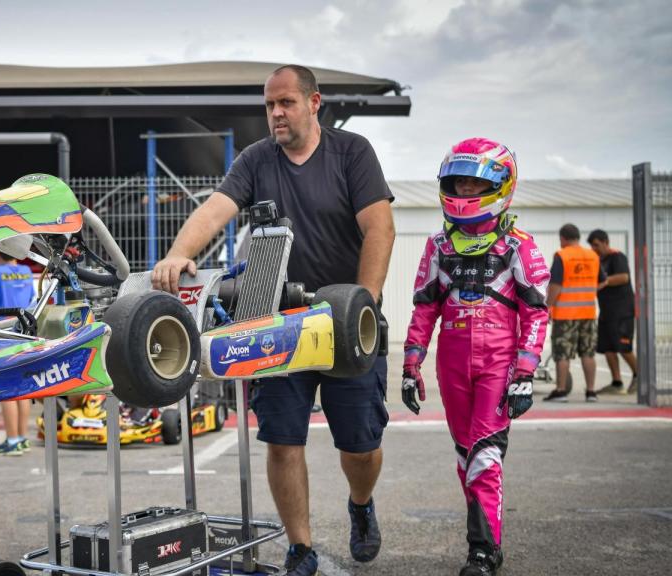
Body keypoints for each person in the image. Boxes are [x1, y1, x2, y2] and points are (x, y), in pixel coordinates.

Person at [152, 64, 395, 573]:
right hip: (279, 325)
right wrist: (178, 253)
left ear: (314, 103)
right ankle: (301, 546)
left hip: (347, 324)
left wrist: (363, 305)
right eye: (269, 105)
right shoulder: (257, 160)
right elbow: (215, 209)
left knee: (360, 445)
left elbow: (380, 229)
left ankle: (360, 504)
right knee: (283, 440)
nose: (276, 114)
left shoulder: (353, 153)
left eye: (285, 103)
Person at [402, 138, 549, 575]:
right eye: (458, 184)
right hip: (451, 364)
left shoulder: (519, 246)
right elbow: (424, 308)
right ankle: (486, 541)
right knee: (467, 456)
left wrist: (525, 370)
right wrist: (411, 366)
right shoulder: (438, 246)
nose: (464, 194)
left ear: (502, 186)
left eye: (474, 185)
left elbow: (537, 312)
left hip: (498, 363)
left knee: (486, 455)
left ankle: (483, 552)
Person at [0, 242, 36, 456]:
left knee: (6, 389)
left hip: (1, 333)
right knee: (21, 388)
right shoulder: (27, 271)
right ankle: (21, 438)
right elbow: (32, 299)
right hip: (23, 331)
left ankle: (12, 439)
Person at [544, 224, 605, 402]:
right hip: (588, 312)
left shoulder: (562, 256)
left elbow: (556, 285)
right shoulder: (593, 256)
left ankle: (561, 391)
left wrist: (548, 306)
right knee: (588, 353)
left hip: (565, 314)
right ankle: (591, 392)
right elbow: (602, 281)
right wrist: (587, 291)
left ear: (563, 238)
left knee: (562, 353)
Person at [587, 230, 639, 395]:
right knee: (608, 348)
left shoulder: (617, 257)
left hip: (622, 311)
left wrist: (605, 281)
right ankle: (617, 383)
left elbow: (624, 277)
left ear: (605, 242)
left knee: (624, 347)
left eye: (596, 245)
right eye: (592, 246)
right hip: (606, 312)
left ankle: (640, 378)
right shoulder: (597, 260)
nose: (594, 248)